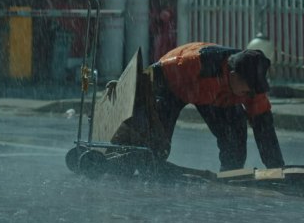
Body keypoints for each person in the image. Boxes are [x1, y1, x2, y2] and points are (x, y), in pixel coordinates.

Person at [112, 42, 285, 172]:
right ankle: (133, 163)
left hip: (212, 96)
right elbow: (151, 76)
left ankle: (231, 173)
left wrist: (276, 168)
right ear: (233, 76)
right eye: (247, 91)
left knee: (235, 132)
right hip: (173, 87)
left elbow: (265, 130)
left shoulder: (252, 86)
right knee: (157, 142)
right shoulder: (193, 64)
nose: (249, 96)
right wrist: (126, 88)